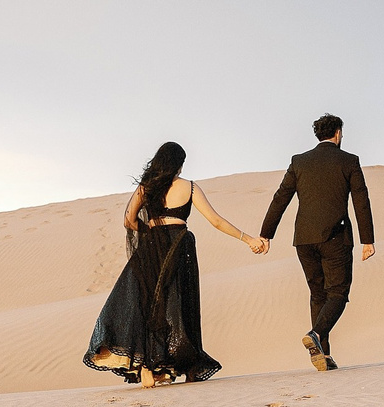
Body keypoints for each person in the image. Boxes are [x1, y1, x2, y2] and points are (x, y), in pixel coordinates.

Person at [84, 141, 264, 386]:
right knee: (179, 304)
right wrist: (248, 239)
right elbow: (216, 221)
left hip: (151, 248)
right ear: (178, 163)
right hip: (179, 246)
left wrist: (149, 232)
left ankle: (148, 367)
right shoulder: (189, 187)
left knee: (148, 304)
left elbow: (128, 220)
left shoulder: (146, 186)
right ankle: (181, 365)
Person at [258, 113, 375, 372]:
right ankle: (316, 334)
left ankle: (323, 356)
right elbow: (361, 200)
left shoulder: (299, 162)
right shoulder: (349, 161)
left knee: (318, 295)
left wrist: (266, 234)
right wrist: (368, 240)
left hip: (304, 239)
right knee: (338, 293)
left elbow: (281, 198)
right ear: (337, 133)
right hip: (335, 238)